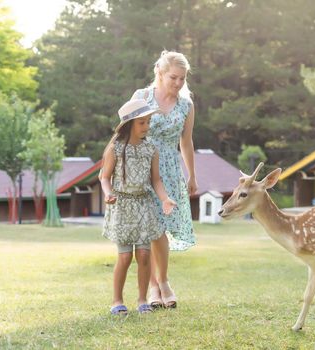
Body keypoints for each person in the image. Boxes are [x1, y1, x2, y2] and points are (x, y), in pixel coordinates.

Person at [131, 50, 197, 309]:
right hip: (143, 168)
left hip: (169, 170)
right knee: (151, 228)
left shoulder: (186, 105)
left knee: (162, 228)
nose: (178, 83)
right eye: (173, 78)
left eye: (182, 78)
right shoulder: (141, 97)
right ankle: (157, 286)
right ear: (159, 73)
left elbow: (186, 142)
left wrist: (192, 174)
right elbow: (128, 132)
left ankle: (160, 283)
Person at [100, 99, 177, 315]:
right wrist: (108, 193)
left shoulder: (150, 149)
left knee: (144, 255)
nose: (146, 127)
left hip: (143, 204)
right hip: (122, 205)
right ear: (129, 124)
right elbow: (105, 178)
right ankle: (117, 301)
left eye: (148, 122)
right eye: (142, 122)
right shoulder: (115, 149)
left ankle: (143, 300)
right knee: (125, 257)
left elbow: (156, 181)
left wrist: (165, 199)